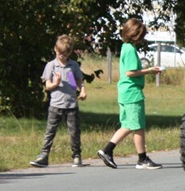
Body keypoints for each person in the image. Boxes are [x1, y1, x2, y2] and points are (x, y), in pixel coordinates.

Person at [97, 18, 164, 169]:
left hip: (125, 92)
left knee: (128, 124)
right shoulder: (131, 49)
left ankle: (107, 151)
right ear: (136, 34)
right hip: (132, 92)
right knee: (138, 125)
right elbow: (130, 72)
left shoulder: (125, 47)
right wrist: (151, 70)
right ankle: (142, 159)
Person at [30, 35, 88, 168]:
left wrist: (82, 90)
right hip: (55, 105)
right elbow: (48, 86)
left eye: (64, 54)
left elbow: (78, 81)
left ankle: (77, 155)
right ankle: (44, 155)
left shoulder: (73, 65)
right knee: (50, 131)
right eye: (59, 53)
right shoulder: (51, 65)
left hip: (71, 105)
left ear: (69, 52)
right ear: (55, 50)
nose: (61, 56)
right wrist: (55, 83)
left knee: (74, 132)